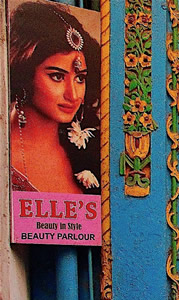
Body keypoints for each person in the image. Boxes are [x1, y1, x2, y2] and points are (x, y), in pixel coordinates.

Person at [8, 1, 100, 194]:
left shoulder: (90, 152)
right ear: (24, 75)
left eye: (80, 78)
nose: (73, 95)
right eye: (57, 76)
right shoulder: (6, 152)